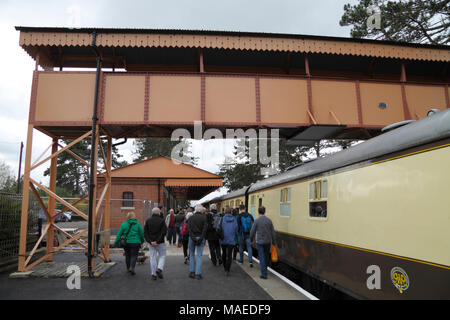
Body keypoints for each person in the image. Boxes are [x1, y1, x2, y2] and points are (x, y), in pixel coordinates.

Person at [114, 211, 145, 275]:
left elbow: (119, 234)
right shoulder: (138, 224)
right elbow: (141, 234)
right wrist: (142, 241)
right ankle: (132, 267)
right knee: (134, 255)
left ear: (127, 217)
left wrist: (116, 243)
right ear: (134, 217)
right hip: (136, 242)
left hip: (126, 243)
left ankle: (128, 268)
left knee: (127, 255)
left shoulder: (124, 224)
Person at [249, 206, 276, 279]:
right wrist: (273, 242)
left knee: (261, 257)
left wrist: (251, 239)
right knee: (266, 256)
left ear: (258, 212)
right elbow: (273, 232)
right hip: (267, 241)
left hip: (260, 242)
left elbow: (252, 232)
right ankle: (265, 269)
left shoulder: (257, 220)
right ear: (264, 211)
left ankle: (264, 274)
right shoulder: (269, 221)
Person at [144, 207, 168, 280]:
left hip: (151, 243)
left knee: (152, 257)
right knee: (162, 255)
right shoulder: (162, 221)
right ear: (159, 213)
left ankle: (153, 274)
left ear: (152, 213)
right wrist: (157, 241)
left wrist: (150, 241)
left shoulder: (148, 221)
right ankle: (159, 268)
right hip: (160, 242)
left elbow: (145, 233)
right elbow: (163, 232)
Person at [187, 204, 208, 279]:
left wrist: (193, 238)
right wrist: (201, 238)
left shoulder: (190, 218)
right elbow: (205, 229)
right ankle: (198, 274)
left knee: (192, 254)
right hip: (200, 238)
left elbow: (189, 229)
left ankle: (192, 272)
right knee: (199, 255)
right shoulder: (204, 218)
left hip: (192, 238)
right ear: (201, 210)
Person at [219, 207, 238, 276]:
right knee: (229, 255)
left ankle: (224, 267)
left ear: (225, 212)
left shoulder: (221, 219)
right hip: (231, 239)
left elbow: (218, 227)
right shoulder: (234, 219)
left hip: (223, 239)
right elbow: (236, 229)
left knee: (224, 253)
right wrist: (234, 235)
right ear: (231, 212)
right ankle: (227, 269)